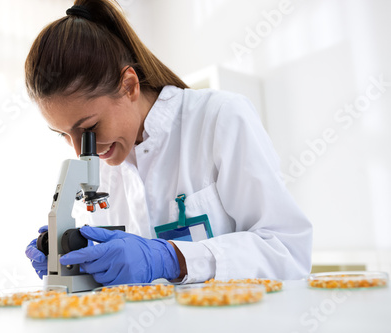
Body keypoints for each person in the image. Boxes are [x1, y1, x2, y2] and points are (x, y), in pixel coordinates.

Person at [24, 0, 312, 285]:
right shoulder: (107, 163)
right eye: (63, 134)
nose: (80, 151)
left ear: (129, 86)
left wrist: (174, 259)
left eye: (89, 129)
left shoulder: (219, 118)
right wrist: (79, 263)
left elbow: (288, 251)